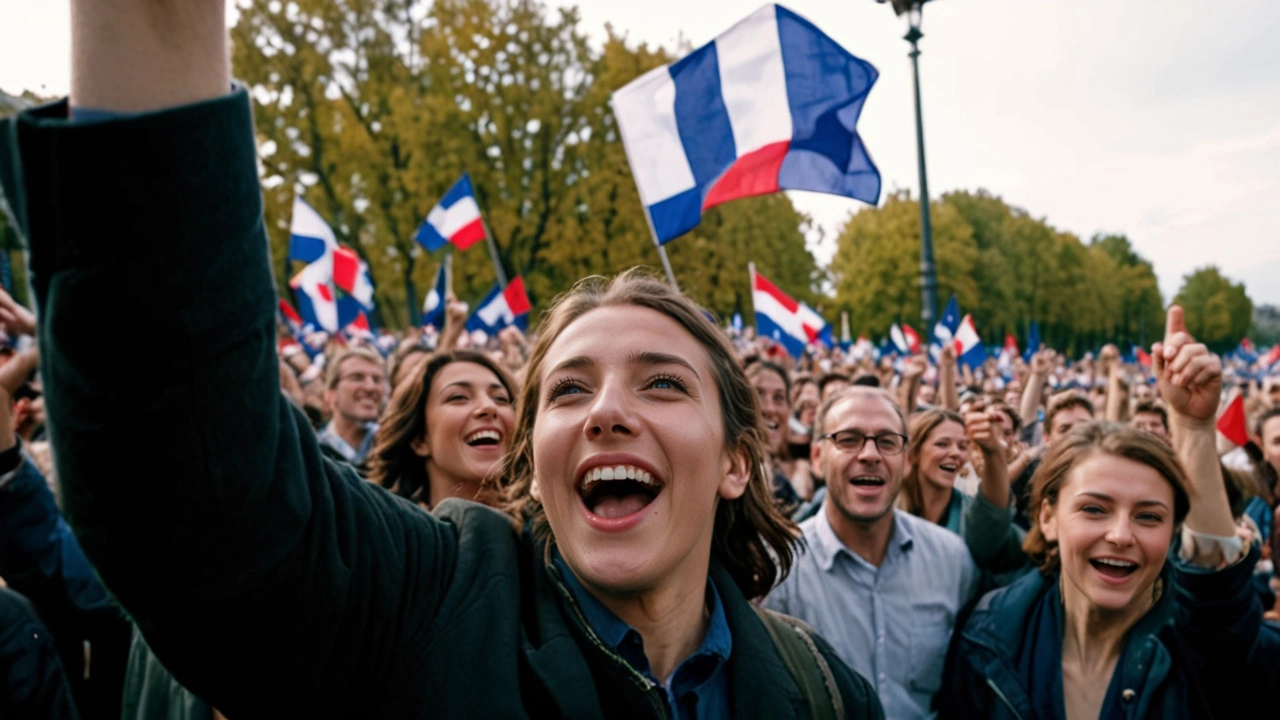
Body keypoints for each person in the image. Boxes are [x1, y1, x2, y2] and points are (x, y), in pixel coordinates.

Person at [1, 37, 887, 715]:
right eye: (568, 390)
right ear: (531, 458)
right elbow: (194, 478)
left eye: (661, 383)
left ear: (738, 461)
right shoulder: (433, 605)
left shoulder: (823, 689)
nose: (607, 411)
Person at [939, 307, 1263, 719]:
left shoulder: (1202, 643)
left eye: (1148, 517)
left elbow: (1219, 598)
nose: (1121, 535)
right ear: (1047, 518)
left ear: (1174, 530)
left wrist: (1193, 428)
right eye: (1094, 509)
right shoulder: (986, 640)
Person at [765, 386, 977, 720]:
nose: (870, 454)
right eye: (848, 439)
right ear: (818, 457)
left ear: (906, 461)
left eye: (887, 441)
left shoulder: (952, 561)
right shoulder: (779, 569)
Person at [366, 349, 517, 509]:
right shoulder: (386, 530)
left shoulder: (543, 527)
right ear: (420, 439)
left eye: (500, 398)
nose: (489, 406)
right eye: (458, 397)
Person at [315, 346, 388, 467]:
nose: (370, 387)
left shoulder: (395, 452)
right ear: (331, 394)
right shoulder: (312, 454)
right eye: (357, 377)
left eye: (377, 380)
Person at [746, 360, 804, 508]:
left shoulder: (786, 482)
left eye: (778, 398)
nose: (770, 409)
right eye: (758, 396)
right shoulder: (720, 475)